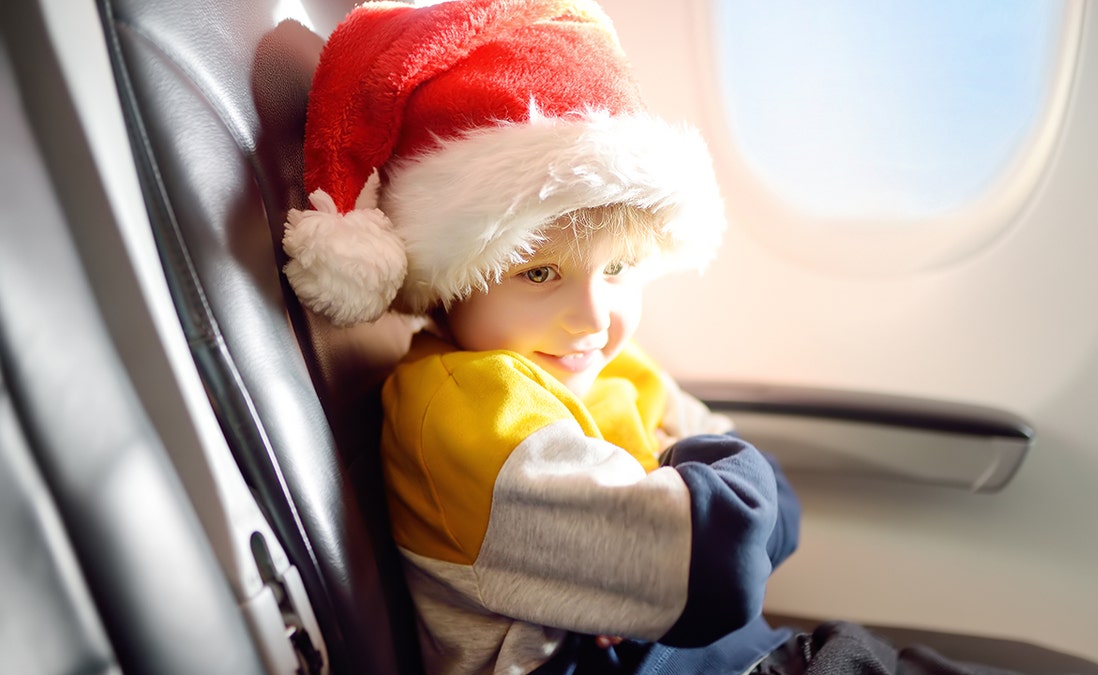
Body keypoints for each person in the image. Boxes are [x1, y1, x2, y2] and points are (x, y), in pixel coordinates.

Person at [279, 1, 1024, 674]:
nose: (594, 317)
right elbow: (717, 561)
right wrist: (698, 472)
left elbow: (775, 506)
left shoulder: (597, 365)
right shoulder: (466, 410)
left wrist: (702, 480)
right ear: (453, 274)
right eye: (539, 274)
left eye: (623, 268)